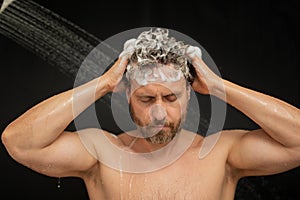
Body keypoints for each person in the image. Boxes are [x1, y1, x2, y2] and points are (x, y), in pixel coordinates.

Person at [2, 27, 300, 200]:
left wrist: (221, 87)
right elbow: (19, 142)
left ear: (190, 95)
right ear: (127, 96)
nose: (159, 112)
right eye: (146, 98)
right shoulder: (102, 154)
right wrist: (103, 83)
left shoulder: (221, 153)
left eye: (171, 97)